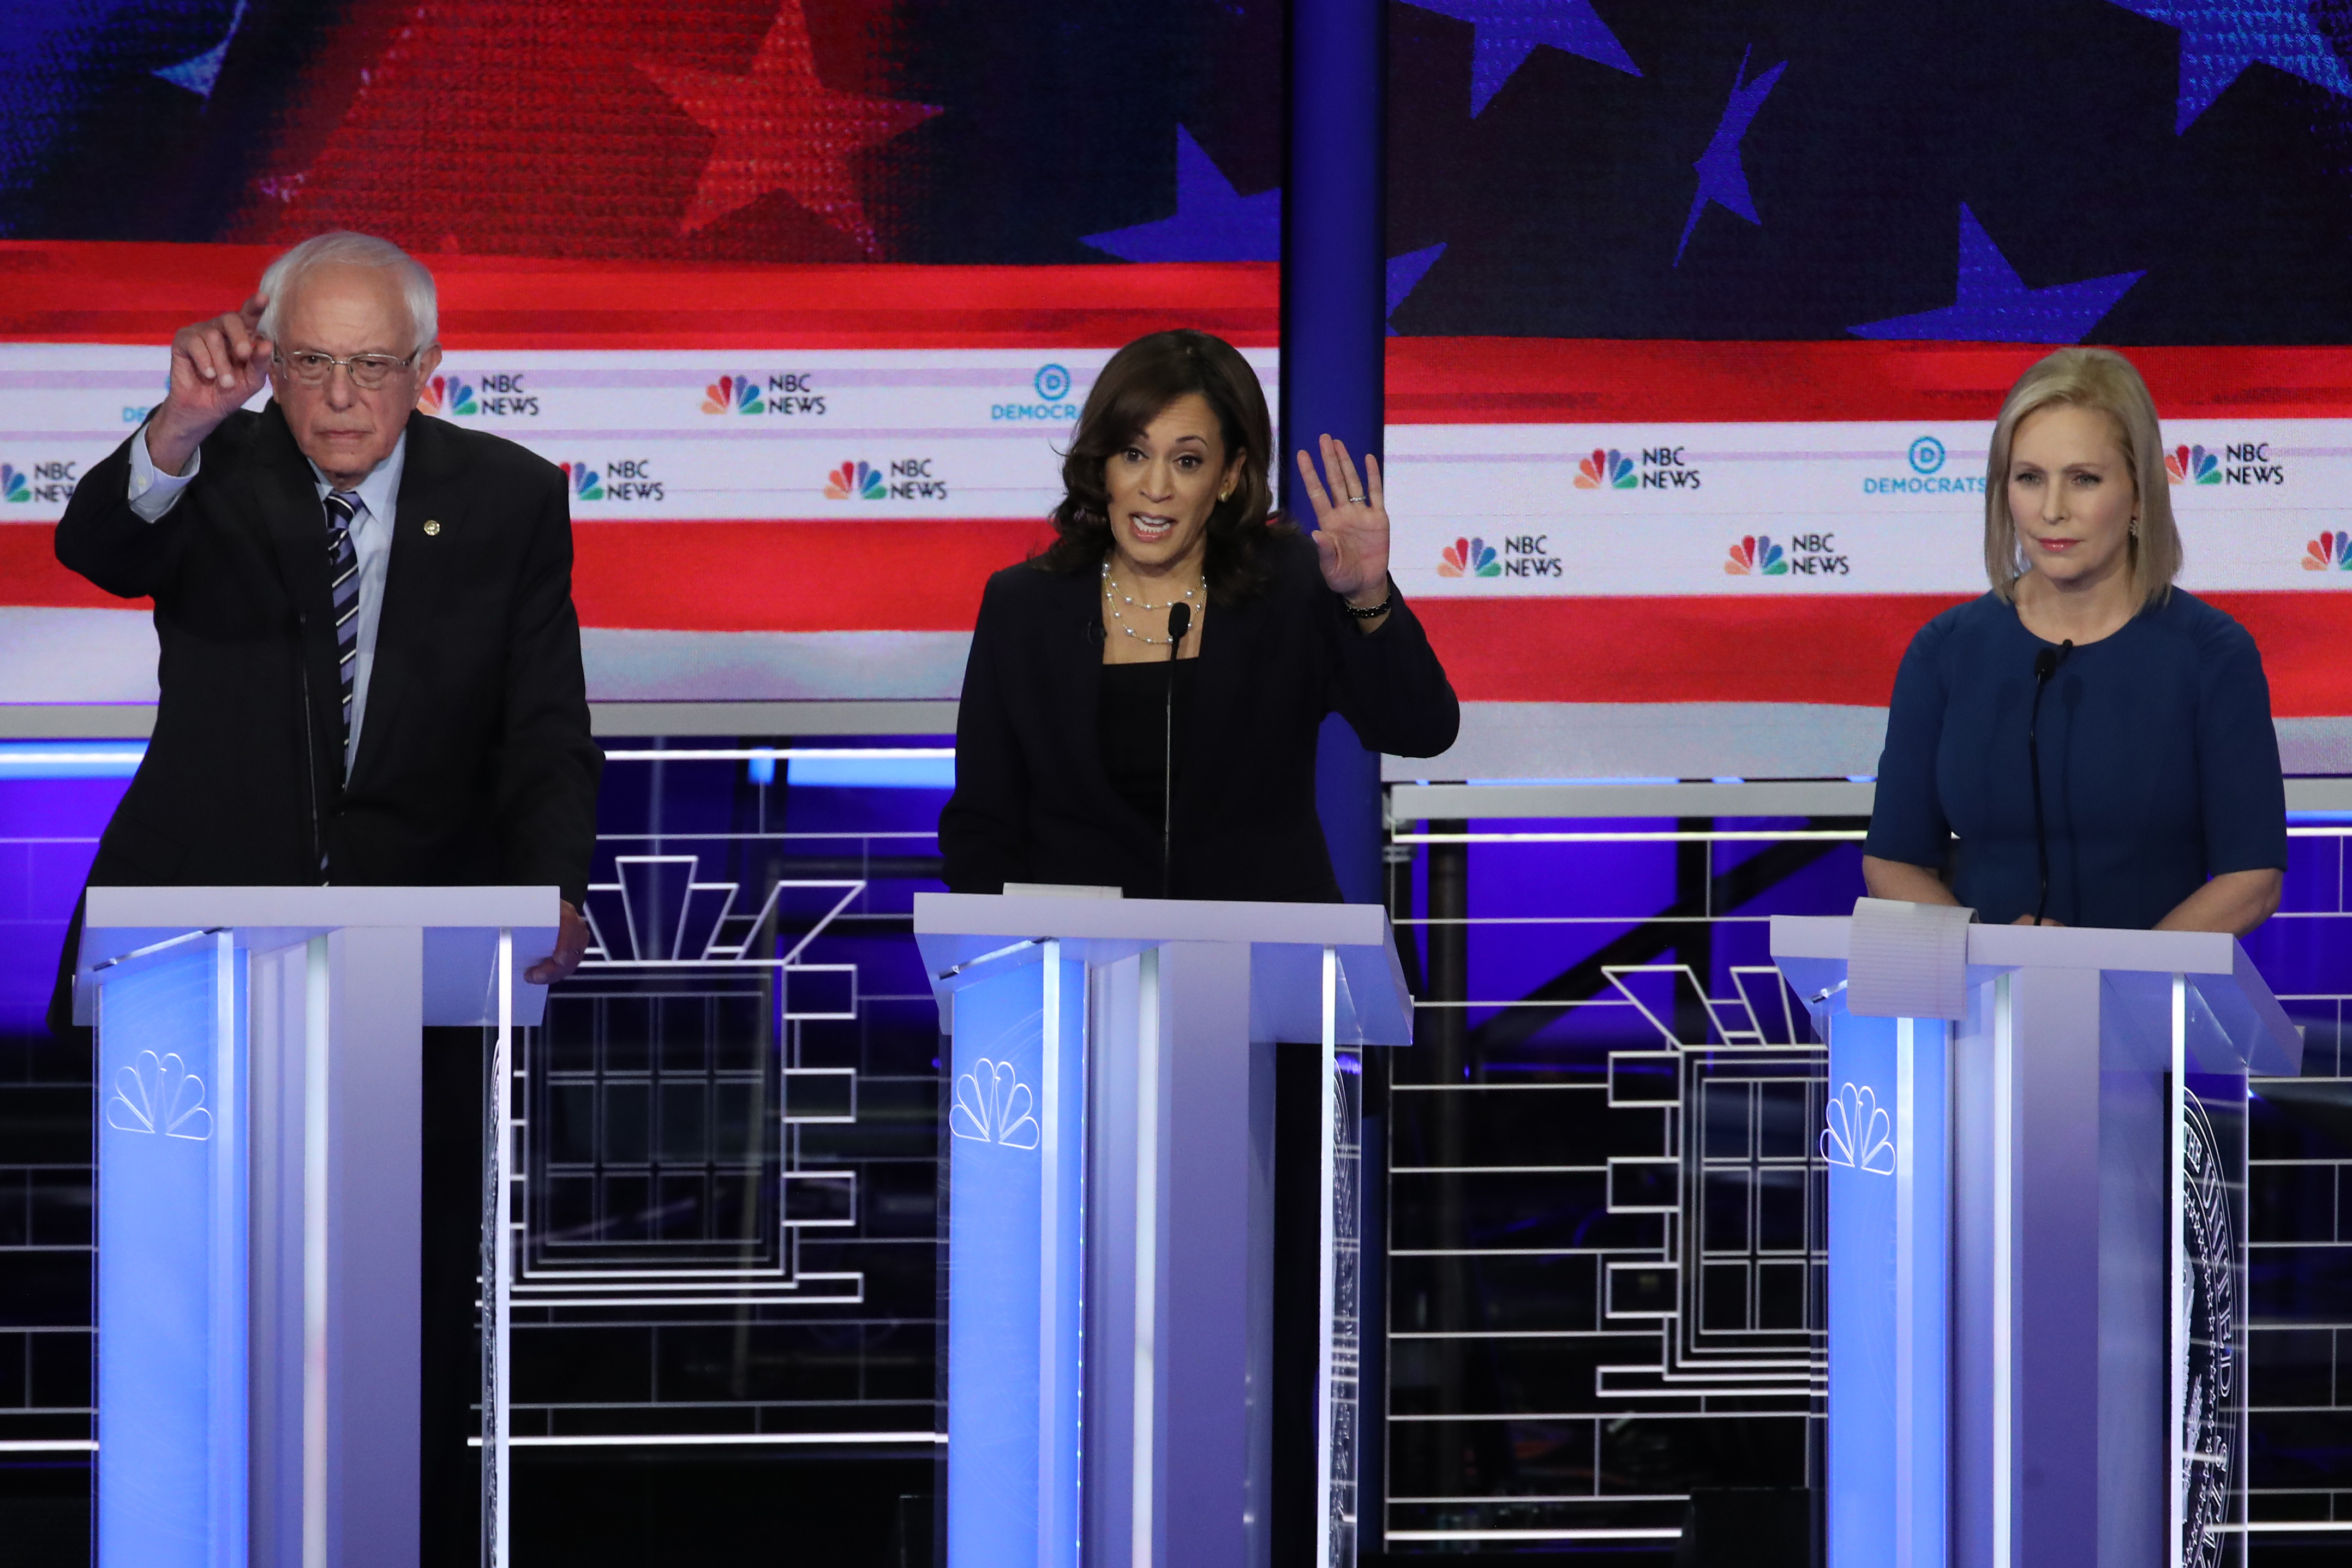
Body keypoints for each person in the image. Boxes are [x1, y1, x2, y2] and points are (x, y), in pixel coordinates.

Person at [50, 230, 601, 1558]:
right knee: (191, 1290)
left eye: (371, 365)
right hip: (195, 940)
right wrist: (179, 421)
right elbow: (96, 547)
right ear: (266, 358)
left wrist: (550, 891)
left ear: (428, 369)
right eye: (309, 363)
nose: (342, 397)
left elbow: (543, 720)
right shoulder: (216, 465)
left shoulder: (509, 495)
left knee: (405, 1303)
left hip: (422, 956)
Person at [939, 328, 1458, 900]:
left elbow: (1421, 729)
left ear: (1229, 477)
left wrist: (1367, 596)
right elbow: (983, 826)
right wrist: (1001, 968)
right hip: (1078, 969)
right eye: (1133, 454)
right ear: (1104, 464)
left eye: (1187, 461)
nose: (1155, 488)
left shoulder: (1288, 586)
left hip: (1263, 963)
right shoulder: (1025, 606)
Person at [1862, 347, 2285, 933]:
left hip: (2147, 1009)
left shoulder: (2210, 655)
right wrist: (1991, 964)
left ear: (2139, 494)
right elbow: (1893, 859)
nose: (2053, 511)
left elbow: (2253, 880)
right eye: (2030, 478)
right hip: (1987, 1007)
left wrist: (2106, 979)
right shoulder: (1947, 651)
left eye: (2084, 479)